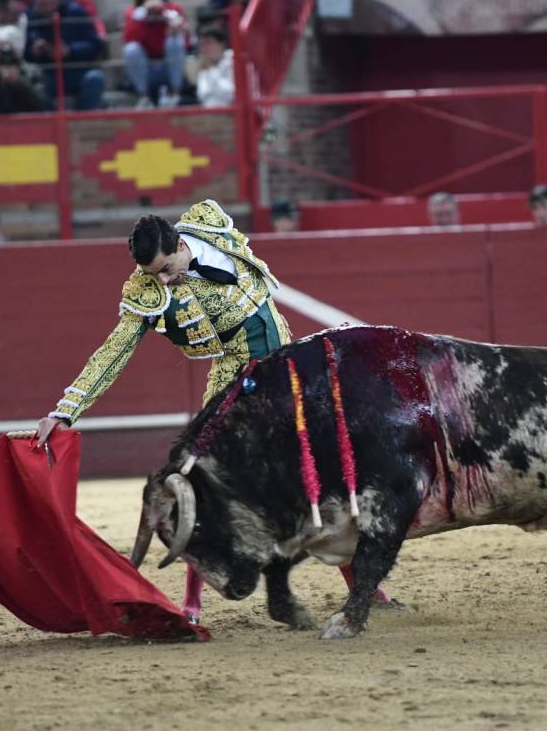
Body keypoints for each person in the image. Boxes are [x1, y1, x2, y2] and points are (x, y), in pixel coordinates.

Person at [33, 199, 391, 622]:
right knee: (206, 480)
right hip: (235, 374)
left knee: (320, 470)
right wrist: (65, 411)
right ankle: (192, 602)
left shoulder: (209, 222)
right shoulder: (145, 292)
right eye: (153, 274)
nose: (162, 280)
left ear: (181, 245)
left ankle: (367, 588)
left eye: (167, 268)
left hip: (285, 360)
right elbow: (114, 351)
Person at [24, 0, 105, 111]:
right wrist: (34, 52)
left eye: (50, 3)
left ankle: (85, 121)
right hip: (47, 73)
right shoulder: (29, 18)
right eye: (42, 5)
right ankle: (51, 122)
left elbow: (96, 45)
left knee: (95, 78)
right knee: (34, 88)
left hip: (77, 69)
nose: (47, 9)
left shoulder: (76, 12)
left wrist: (70, 50)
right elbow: (23, 52)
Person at [122, 0, 188, 109]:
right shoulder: (133, 13)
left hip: (169, 68)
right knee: (131, 49)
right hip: (147, 69)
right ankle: (143, 97)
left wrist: (175, 27)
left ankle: (175, 94)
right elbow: (128, 38)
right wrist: (144, 14)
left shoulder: (173, 9)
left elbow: (187, 41)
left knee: (175, 41)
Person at [195, 24, 233, 107]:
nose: (204, 48)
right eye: (201, 44)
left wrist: (212, 71)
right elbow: (202, 95)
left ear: (221, 44)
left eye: (208, 43)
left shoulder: (234, 60)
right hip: (210, 113)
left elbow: (231, 94)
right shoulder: (205, 66)